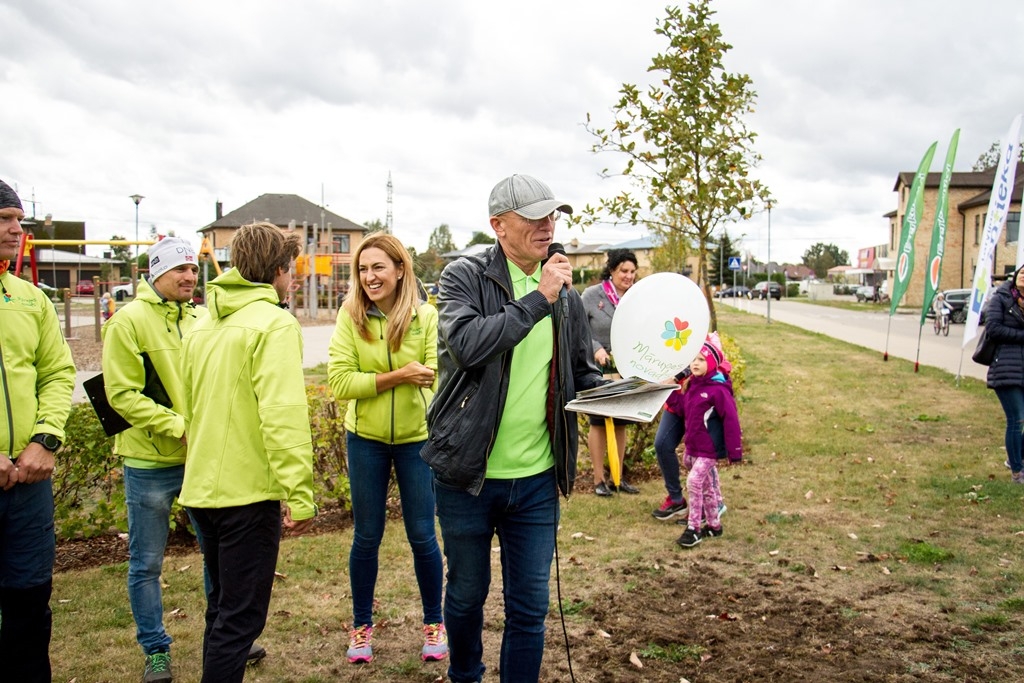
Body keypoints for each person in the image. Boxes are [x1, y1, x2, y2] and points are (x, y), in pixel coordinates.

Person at [421, 174, 606, 683]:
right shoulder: (465, 275)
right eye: (535, 217)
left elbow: (580, 367)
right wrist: (538, 300)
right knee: (465, 595)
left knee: (530, 607)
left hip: (537, 479)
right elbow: (469, 345)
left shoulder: (563, 290)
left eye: (553, 216)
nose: (548, 226)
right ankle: (466, 675)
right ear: (498, 226)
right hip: (467, 475)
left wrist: (627, 390)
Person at [178, 222, 317, 683]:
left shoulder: (201, 322)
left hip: (201, 489)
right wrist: (299, 492)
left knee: (221, 608)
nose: (293, 278)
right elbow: (283, 414)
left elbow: (188, 402)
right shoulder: (274, 323)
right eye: (291, 269)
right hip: (246, 494)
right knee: (239, 619)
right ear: (277, 270)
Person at [327, 233, 447, 664]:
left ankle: (435, 623)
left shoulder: (426, 316)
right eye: (363, 269)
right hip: (366, 441)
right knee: (366, 536)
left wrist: (397, 376)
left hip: (417, 440)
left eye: (378, 267)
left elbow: (438, 374)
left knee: (422, 535)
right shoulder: (350, 316)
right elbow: (341, 382)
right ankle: (361, 628)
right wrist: (397, 376)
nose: (369, 276)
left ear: (400, 269)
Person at [102, 237, 208, 682]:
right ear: (155, 273)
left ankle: (224, 636)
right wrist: (178, 426)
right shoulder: (128, 322)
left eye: (193, 269)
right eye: (179, 269)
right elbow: (121, 394)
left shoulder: (205, 318)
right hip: (149, 462)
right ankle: (155, 650)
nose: (190, 276)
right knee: (146, 561)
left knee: (216, 552)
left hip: (201, 458)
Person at [0, 179, 77, 682]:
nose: (17, 229)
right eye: (6, 220)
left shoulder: (30, 299)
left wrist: (44, 440)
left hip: (29, 482)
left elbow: (57, 373)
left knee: (31, 604)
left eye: (19, 220)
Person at [652, 333, 732, 522]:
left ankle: (712, 504)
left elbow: (713, 361)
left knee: (703, 453)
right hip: (677, 399)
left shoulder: (701, 331)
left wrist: (678, 375)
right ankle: (676, 499)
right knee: (662, 444)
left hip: (701, 399)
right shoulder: (663, 330)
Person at [580, 249, 640, 496]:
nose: (629, 276)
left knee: (621, 422)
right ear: (612, 270)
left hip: (624, 369)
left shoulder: (636, 297)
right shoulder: (592, 295)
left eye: (633, 272)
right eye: (624, 271)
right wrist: (596, 349)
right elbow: (581, 329)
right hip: (599, 369)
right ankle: (598, 480)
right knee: (599, 422)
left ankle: (618, 477)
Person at [675, 336, 743, 548]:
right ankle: (714, 525)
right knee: (706, 487)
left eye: (701, 360)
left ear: (712, 363)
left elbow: (731, 422)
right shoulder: (691, 386)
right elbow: (681, 409)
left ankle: (693, 528)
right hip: (693, 447)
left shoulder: (718, 390)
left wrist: (735, 452)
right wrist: (664, 391)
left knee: (694, 482)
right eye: (693, 359)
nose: (695, 363)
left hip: (708, 450)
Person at [982, 264, 1024, 484]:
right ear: (1016, 276)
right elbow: (993, 328)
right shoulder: (1002, 298)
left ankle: (1016, 457)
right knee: (1017, 419)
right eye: (1023, 273)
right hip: (1006, 368)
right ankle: (1018, 471)